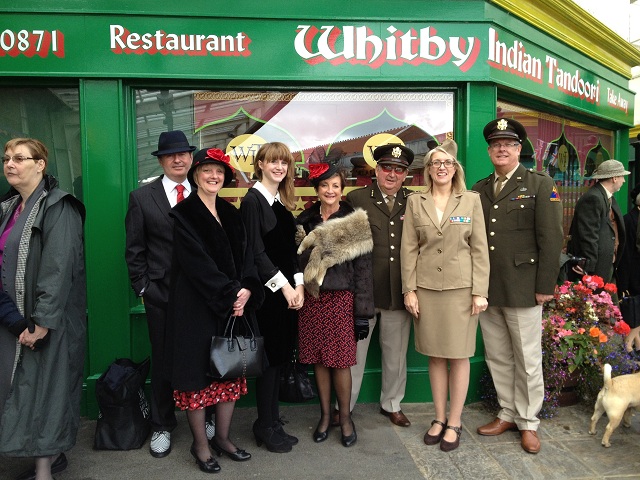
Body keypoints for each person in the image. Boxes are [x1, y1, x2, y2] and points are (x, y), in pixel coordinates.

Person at [168, 147, 264, 473]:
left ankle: (223, 438)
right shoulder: (183, 214)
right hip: (196, 309)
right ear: (195, 174)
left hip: (234, 308)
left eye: (220, 172)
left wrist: (248, 288)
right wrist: (229, 294)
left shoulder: (231, 211)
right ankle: (201, 445)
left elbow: (248, 255)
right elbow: (197, 264)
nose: (214, 176)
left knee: (229, 375)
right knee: (196, 379)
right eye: (207, 171)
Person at [472, 118, 563, 454]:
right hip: (488, 287)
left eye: (508, 144)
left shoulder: (540, 183)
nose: (502, 149)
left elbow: (551, 238)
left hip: (525, 287)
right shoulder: (480, 188)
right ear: (489, 149)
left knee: (527, 359)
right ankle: (507, 412)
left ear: (520, 148)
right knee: (498, 356)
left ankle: (528, 421)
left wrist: (545, 285)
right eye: (496, 144)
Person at [0, 138, 86, 480]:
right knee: (24, 388)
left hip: (45, 321)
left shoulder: (58, 206)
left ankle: (44, 471)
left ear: (40, 165)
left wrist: (42, 322)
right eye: (7, 158)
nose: (10, 164)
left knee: (46, 390)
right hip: (13, 317)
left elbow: (59, 267)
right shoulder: (9, 208)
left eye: (20, 158)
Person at [125, 130, 214, 458]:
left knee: (203, 357)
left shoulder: (205, 192)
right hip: (161, 295)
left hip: (201, 296)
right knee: (163, 360)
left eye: (184, 154)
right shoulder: (142, 198)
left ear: (191, 159)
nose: (179, 159)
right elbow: (134, 249)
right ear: (161, 160)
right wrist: (143, 288)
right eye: (171, 155)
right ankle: (162, 424)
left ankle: (205, 418)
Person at [402, 139, 490, 452]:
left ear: (455, 169)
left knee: (459, 355)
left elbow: (479, 249)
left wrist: (480, 291)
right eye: (435, 163)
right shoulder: (416, 202)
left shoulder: (471, 200)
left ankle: (455, 421)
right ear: (428, 169)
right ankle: (438, 419)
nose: (441, 167)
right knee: (435, 355)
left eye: (447, 163)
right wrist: (409, 289)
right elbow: (409, 248)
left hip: (461, 291)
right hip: (426, 290)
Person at [336, 143, 415, 428]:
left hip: (399, 291)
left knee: (396, 354)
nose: (392, 174)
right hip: (363, 293)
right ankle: (345, 406)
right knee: (354, 355)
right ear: (376, 170)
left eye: (399, 170)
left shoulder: (415, 201)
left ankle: (392, 404)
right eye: (386, 168)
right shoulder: (358, 198)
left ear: (406, 174)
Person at [296, 163, 375, 447]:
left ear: (342, 191)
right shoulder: (304, 220)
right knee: (318, 360)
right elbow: (297, 263)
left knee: (340, 362)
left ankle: (345, 419)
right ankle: (325, 416)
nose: (330, 191)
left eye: (336, 186)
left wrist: (362, 314)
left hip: (342, 301)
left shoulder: (355, 221)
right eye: (325, 185)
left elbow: (364, 271)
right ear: (317, 189)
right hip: (312, 301)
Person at [240, 142, 303, 453]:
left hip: (288, 296)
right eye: (273, 161)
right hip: (269, 297)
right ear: (260, 164)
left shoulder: (280, 201)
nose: (279, 167)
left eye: (284, 162)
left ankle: (272, 419)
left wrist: (300, 284)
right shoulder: (252, 201)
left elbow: (291, 252)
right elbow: (256, 252)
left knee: (279, 359)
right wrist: (286, 287)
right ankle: (264, 425)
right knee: (268, 361)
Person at [567, 159, 629, 283]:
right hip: (595, 270)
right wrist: (589, 270)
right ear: (614, 178)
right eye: (622, 176)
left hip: (606, 265)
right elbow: (588, 236)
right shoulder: (593, 198)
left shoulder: (607, 197)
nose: (624, 180)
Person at [617, 183, 640, 355]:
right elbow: (626, 255)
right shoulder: (630, 219)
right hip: (634, 278)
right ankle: (629, 347)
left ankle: (635, 347)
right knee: (635, 316)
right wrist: (623, 283)